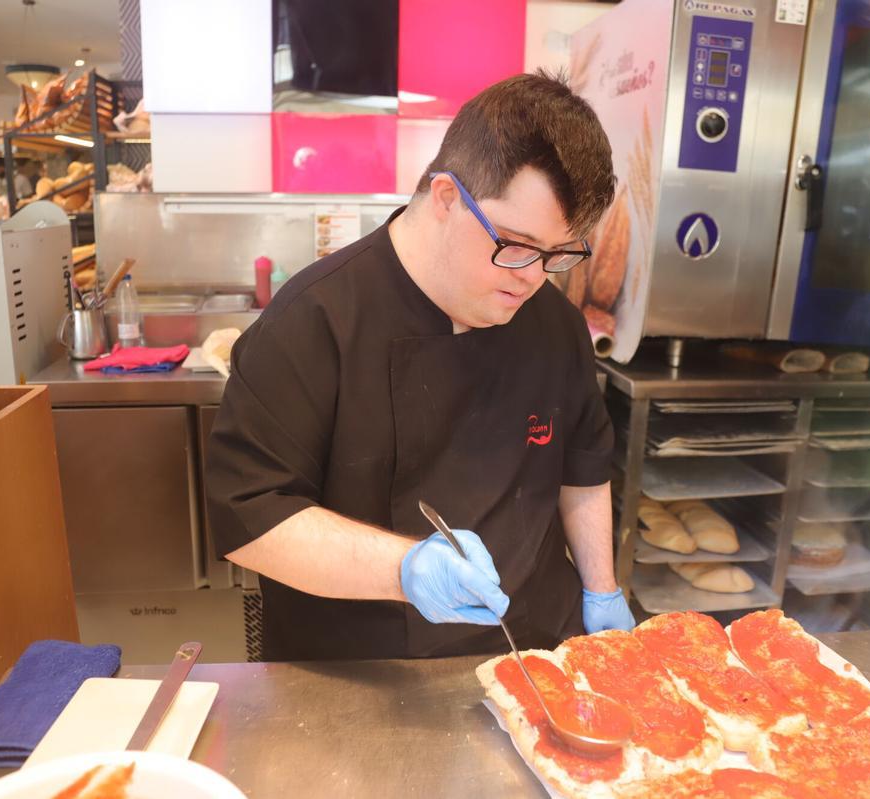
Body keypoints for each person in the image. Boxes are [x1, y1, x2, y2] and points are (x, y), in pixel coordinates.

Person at [206, 71, 632, 662]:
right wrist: (404, 568)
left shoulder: (555, 323)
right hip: (365, 672)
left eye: (559, 254)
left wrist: (602, 588)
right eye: (514, 244)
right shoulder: (315, 320)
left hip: (535, 648)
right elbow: (250, 518)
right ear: (445, 197)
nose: (533, 277)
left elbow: (583, 465)